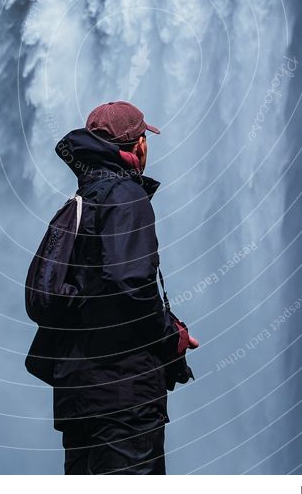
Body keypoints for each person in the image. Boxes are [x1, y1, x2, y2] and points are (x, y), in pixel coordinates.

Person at [51, 101, 199, 474]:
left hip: (79, 396)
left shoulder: (83, 200)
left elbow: (98, 290)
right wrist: (170, 335)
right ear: (136, 147)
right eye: (144, 137)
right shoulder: (126, 196)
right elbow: (129, 282)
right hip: (124, 397)